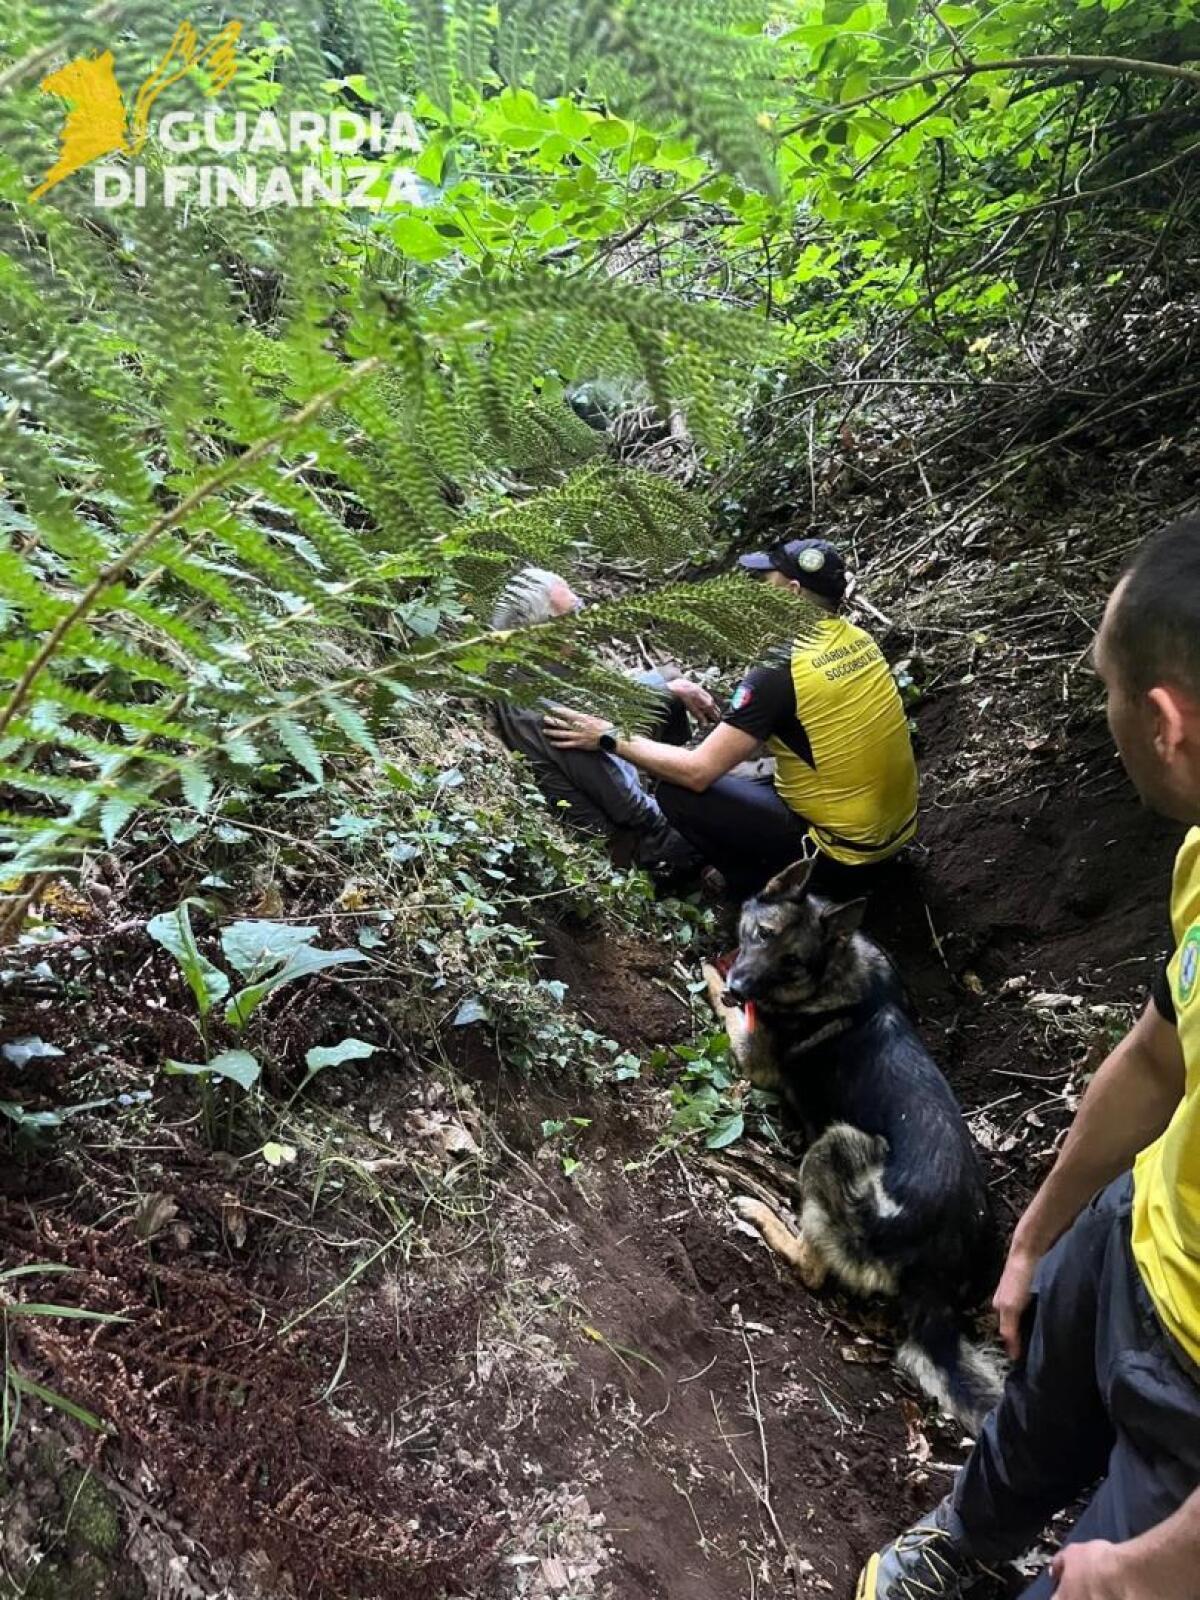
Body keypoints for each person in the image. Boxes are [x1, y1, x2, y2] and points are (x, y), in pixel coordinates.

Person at [857, 516, 1200, 1600]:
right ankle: (969, 1538)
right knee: (1031, 1424)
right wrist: (1042, 1235)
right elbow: (1159, 1053)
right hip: (1140, 1228)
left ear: (1165, 720)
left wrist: (1148, 1571)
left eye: (1105, 694)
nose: (1106, 724)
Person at [544, 538, 919, 900]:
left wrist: (608, 736)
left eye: (765, 584)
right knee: (737, 772)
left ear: (790, 592)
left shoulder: (780, 668)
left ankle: (753, 890)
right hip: (890, 834)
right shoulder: (858, 640)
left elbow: (697, 771)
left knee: (679, 791)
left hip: (839, 858)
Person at [489, 566, 718, 873]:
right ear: (537, 634)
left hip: (618, 768)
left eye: (580, 608)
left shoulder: (533, 668)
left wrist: (670, 687)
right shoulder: (555, 719)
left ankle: (666, 773)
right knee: (724, 817)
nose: (583, 626)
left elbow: (605, 696)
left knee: (669, 680)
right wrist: (692, 811)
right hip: (633, 840)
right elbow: (632, 810)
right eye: (572, 618)